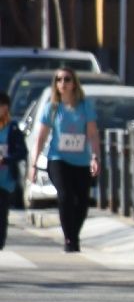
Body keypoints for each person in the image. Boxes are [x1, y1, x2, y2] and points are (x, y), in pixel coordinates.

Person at [29, 68, 100, 252]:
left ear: (74, 83)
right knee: (65, 196)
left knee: (82, 202)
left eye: (67, 79)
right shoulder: (52, 108)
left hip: (81, 162)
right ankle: (70, 239)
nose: (62, 83)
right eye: (58, 79)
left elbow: (92, 134)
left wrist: (95, 157)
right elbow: (41, 137)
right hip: (58, 159)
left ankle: (74, 233)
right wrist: (34, 163)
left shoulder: (85, 106)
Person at [0, 91, 25, 248]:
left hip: (5, 180)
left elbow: (22, 151)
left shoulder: (13, 128)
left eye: (2, 105)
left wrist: (6, 159)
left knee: (2, 213)